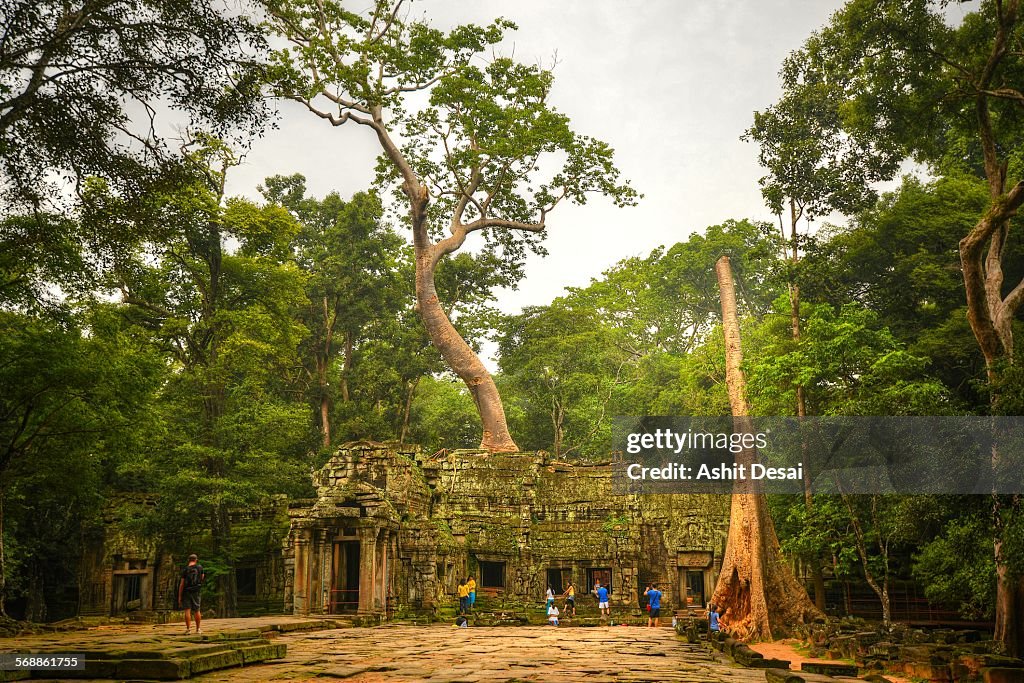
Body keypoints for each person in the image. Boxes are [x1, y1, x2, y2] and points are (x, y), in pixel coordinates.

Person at [178, 553, 205, 635]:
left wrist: (179, 596)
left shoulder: (185, 569)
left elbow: (182, 584)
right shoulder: (200, 567)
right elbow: (202, 577)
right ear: (196, 560)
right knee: (197, 610)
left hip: (186, 591)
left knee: (187, 610)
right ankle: (198, 629)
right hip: (196, 591)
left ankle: (188, 629)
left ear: (189, 560)